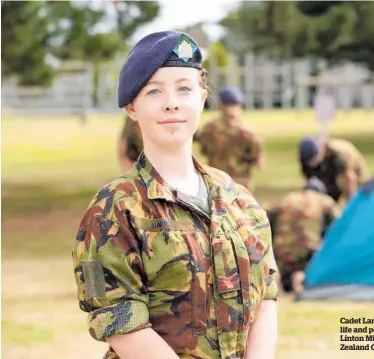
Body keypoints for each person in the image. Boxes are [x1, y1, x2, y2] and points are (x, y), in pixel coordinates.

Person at [71, 31, 278, 359]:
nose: (172, 102)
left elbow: (265, 296)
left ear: (202, 97)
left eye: (184, 88)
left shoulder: (239, 199)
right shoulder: (113, 209)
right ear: (132, 107)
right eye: (154, 91)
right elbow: (122, 324)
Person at [272, 177, 340, 295]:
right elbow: (340, 225)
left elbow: (268, 217)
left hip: (283, 252)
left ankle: (288, 282)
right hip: (309, 251)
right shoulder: (324, 200)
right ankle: (300, 281)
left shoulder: (288, 199)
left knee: (289, 281)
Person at [195, 86, 265, 192]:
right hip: (241, 186)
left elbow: (202, 151)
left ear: (220, 105)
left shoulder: (209, 129)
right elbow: (260, 163)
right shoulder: (248, 132)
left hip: (216, 183)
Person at [298, 136, 367, 205]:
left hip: (353, 172)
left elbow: (349, 179)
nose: (311, 164)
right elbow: (308, 180)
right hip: (328, 168)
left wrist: (352, 203)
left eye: (314, 160)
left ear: (321, 151)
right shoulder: (306, 158)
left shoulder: (338, 155)